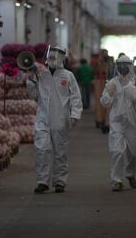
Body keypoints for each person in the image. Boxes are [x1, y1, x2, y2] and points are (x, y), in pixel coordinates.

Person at [27, 46, 83, 194]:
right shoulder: (42, 75)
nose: (51, 60)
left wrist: (75, 114)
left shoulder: (68, 76)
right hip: (43, 118)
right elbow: (34, 95)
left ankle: (59, 181)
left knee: (60, 151)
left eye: (54, 57)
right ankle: (42, 181)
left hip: (60, 119)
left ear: (61, 58)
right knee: (41, 149)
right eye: (49, 57)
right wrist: (30, 79)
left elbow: (76, 96)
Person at [100, 55, 136, 192]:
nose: (123, 68)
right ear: (117, 67)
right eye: (121, 66)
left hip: (132, 122)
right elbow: (104, 102)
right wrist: (110, 94)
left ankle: (130, 174)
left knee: (134, 151)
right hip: (117, 122)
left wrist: (127, 85)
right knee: (117, 151)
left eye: (126, 65)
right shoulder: (112, 82)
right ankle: (116, 180)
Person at [94, 49, 110, 133]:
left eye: (106, 54)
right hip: (99, 83)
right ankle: (99, 120)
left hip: (105, 83)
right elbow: (97, 73)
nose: (105, 55)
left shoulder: (108, 63)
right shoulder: (98, 63)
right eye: (104, 54)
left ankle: (103, 120)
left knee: (105, 104)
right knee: (99, 103)